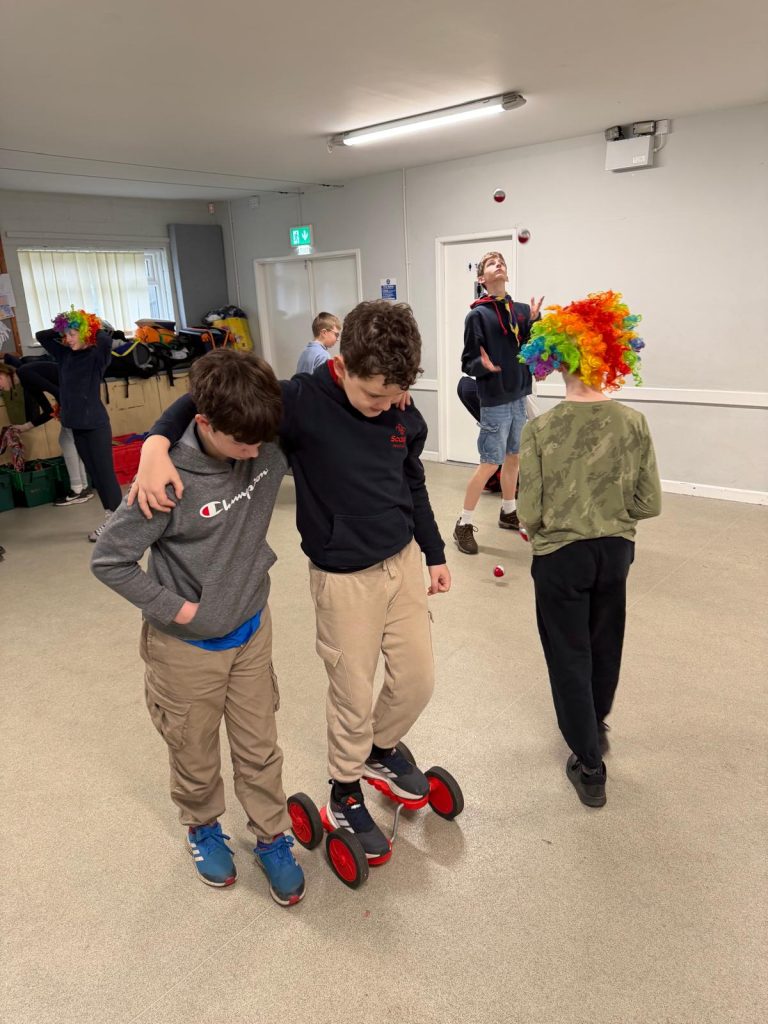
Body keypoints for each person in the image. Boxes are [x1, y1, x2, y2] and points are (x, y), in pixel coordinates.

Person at [130, 301, 451, 864]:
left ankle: (379, 751)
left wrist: (434, 551)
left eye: (394, 395)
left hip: (401, 562)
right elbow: (209, 396)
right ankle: (344, 791)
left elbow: (413, 482)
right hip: (344, 578)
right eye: (373, 395)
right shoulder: (299, 400)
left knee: (418, 679)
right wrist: (155, 445)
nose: (383, 407)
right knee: (352, 692)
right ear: (341, 364)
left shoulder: (399, 405)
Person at [91, 349, 306, 906]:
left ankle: (271, 835)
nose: (256, 453)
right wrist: (181, 611)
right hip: (186, 648)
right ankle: (203, 827)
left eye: (261, 442)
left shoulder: (262, 435)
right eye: (243, 445)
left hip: (251, 630)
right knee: (194, 750)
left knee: (260, 746)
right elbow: (109, 561)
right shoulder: (165, 482)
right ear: (205, 423)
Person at [517, 291, 661, 809]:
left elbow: (528, 510)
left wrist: (548, 525)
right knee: (605, 642)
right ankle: (596, 725)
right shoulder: (633, 423)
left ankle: (590, 764)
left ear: (554, 360)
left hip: (561, 557)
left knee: (568, 652)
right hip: (615, 554)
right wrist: (611, 515)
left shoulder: (541, 428)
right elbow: (649, 502)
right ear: (610, 355)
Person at [453, 252, 543, 555]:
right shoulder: (477, 315)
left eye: (501, 262)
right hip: (494, 399)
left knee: (514, 457)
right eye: (492, 264)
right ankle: (463, 524)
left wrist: (535, 321)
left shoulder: (521, 310)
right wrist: (483, 365)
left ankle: (508, 511)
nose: (499, 265)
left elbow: (530, 347)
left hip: (519, 394)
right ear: (482, 278)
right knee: (490, 462)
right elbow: (467, 361)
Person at [35, 309, 122, 539]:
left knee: (105, 474)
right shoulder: (65, 354)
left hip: (95, 425)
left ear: (84, 334)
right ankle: (111, 518)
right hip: (76, 425)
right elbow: (41, 336)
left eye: (73, 334)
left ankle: (119, 523)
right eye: (66, 335)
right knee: (95, 474)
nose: (68, 339)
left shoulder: (97, 356)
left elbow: (106, 339)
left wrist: (91, 325)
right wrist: (63, 324)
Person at [0, 355, 93, 505]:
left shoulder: (24, 373)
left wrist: (66, 412)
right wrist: (24, 427)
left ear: (4, 373)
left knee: (67, 441)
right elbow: (48, 410)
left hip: (77, 394)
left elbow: (57, 391)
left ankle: (78, 490)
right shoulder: (25, 381)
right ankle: (83, 488)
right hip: (74, 397)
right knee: (70, 441)